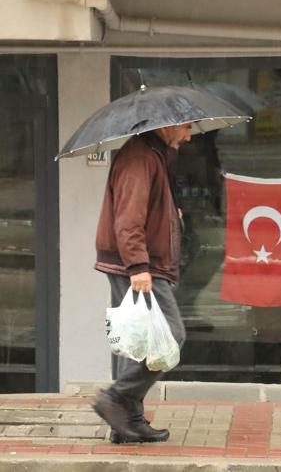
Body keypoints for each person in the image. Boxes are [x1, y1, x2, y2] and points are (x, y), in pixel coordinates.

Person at [91, 123, 191, 443]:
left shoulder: (153, 155)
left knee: (136, 343)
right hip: (137, 266)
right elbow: (128, 218)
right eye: (187, 127)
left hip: (140, 263)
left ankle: (127, 423)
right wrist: (138, 266)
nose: (189, 136)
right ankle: (116, 397)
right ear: (168, 125)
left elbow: (144, 210)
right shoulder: (139, 158)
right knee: (170, 338)